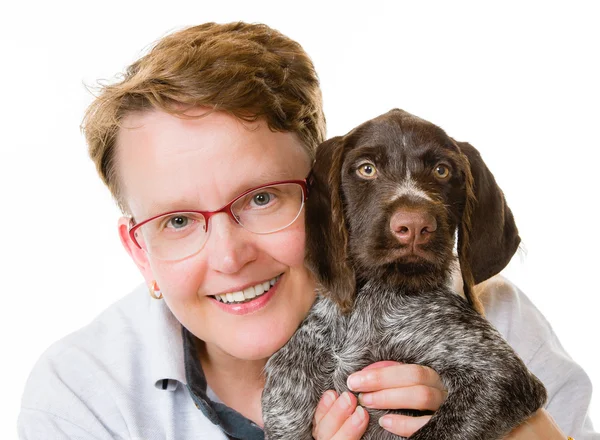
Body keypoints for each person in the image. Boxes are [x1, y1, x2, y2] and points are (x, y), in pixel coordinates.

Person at [18, 22, 598, 440]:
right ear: (140, 252)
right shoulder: (83, 394)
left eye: (262, 199)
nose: (229, 256)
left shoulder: (494, 319)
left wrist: (513, 426)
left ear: (329, 196)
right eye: (176, 220)